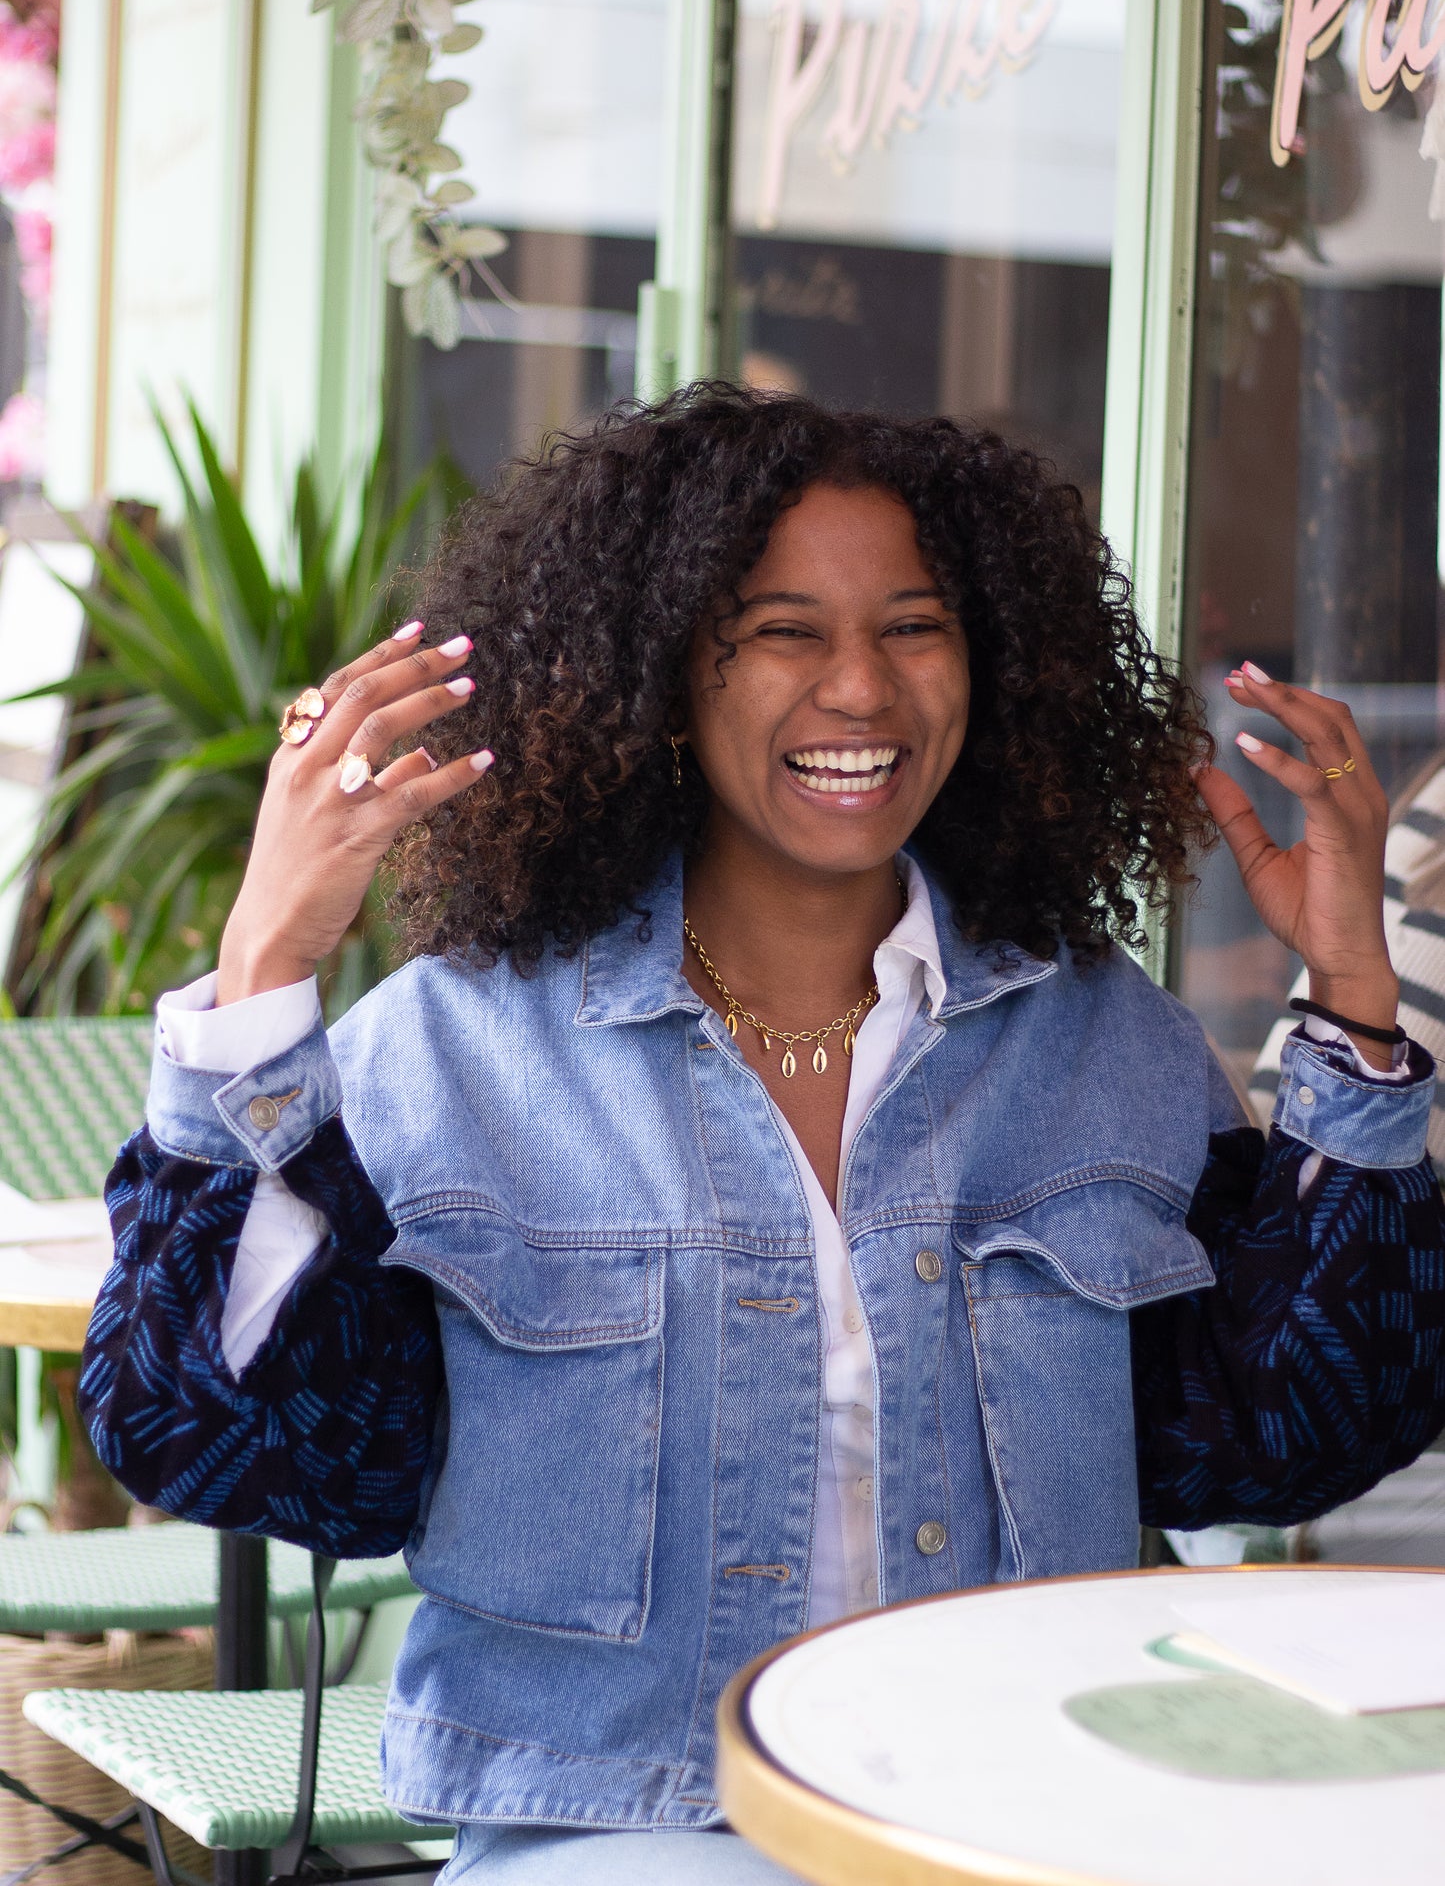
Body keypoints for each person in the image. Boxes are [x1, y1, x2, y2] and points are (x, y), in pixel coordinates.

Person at [80, 388, 1445, 1882]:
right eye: (783, 631)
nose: (860, 689)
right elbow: (222, 1444)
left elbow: (1284, 1440)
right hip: (621, 1823)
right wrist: (265, 970)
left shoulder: (1101, 1040)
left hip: (1030, 1807)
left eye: (914, 628)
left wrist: (1354, 999)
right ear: (664, 674)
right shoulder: (457, 1046)